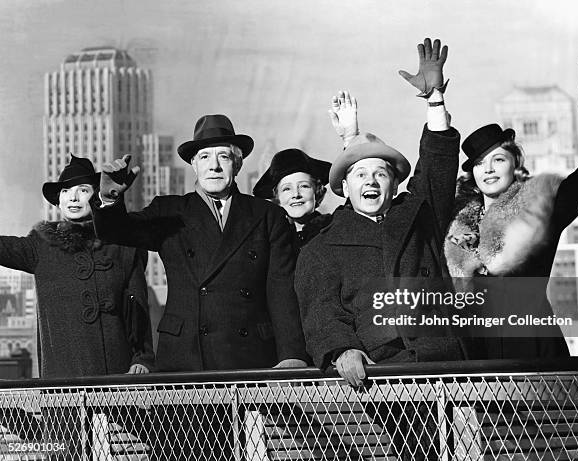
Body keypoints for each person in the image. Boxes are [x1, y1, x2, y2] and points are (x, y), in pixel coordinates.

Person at [93, 113, 308, 460]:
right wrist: (111, 199)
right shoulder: (170, 211)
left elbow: (280, 289)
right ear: (193, 164)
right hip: (185, 361)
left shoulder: (266, 215)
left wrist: (292, 355)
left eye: (223, 156)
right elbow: (120, 231)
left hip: (250, 359)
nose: (214, 166)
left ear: (237, 164)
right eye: (205, 157)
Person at [296, 38, 466, 461]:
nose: (370, 182)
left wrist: (436, 100)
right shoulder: (321, 248)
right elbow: (322, 311)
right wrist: (341, 349)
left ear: (394, 183)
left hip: (450, 363)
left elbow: (438, 165)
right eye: (360, 174)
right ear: (344, 187)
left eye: (381, 173)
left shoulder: (419, 216)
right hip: (385, 372)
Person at [444, 49, 578, 359]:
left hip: (536, 350)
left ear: (515, 165)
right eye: (480, 163)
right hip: (478, 357)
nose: (489, 169)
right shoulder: (457, 223)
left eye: (498, 159)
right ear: (472, 173)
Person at [0, 154, 153, 378]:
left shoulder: (123, 246)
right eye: (65, 192)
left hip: (115, 376)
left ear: (96, 196)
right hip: (62, 380)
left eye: (82, 190)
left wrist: (143, 359)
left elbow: (138, 310)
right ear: (58, 201)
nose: (72, 198)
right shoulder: (41, 245)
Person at [253, 148, 332, 249]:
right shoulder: (270, 239)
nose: (296, 194)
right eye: (286, 189)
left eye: (304, 186)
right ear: (277, 197)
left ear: (317, 192)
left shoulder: (332, 229)